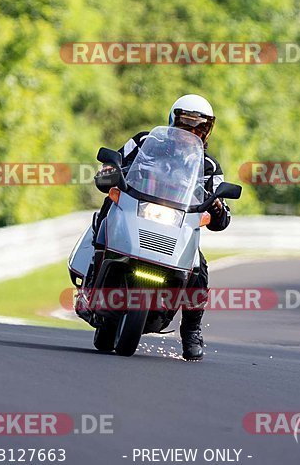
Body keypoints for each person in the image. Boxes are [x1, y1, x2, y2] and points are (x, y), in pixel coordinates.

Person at [90, 94, 231, 360]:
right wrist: (109, 171)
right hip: (134, 208)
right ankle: (91, 282)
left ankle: (191, 330)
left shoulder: (209, 166)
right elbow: (113, 163)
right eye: (186, 123)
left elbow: (223, 216)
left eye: (199, 126)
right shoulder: (144, 141)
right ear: (173, 120)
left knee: (198, 268)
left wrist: (218, 208)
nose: (191, 131)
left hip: (178, 222)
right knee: (105, 221)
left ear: (207, 129)